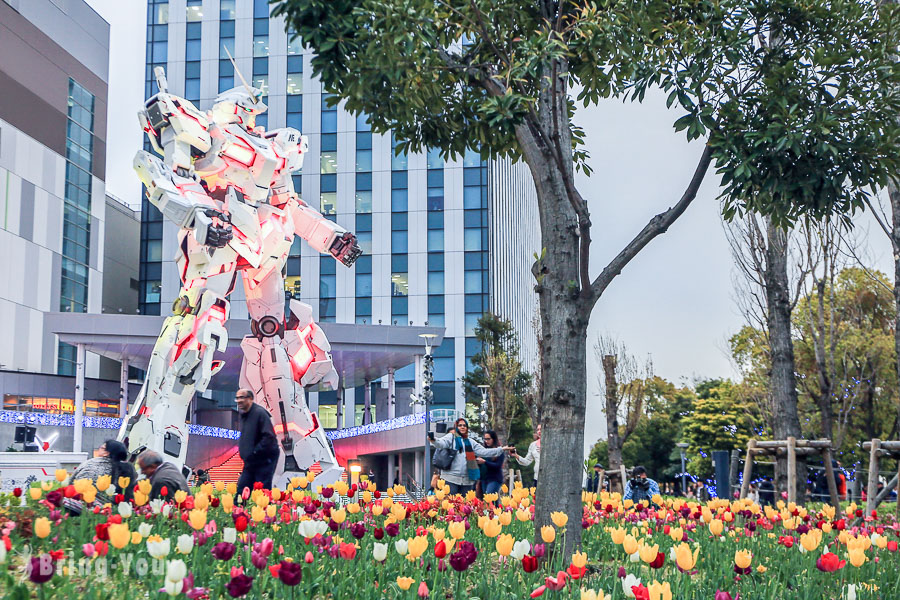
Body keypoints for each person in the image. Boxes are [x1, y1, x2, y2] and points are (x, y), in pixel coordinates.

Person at [432, 418, 505, 495]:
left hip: (467, 480)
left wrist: (501, 449)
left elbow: (484, 451)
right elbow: (441, 443)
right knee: (451, 504)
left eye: (464, 425)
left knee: (465, 505)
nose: (462, 427)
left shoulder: (470, 441)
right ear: (456, 427)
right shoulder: (451, 437)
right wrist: (433, 440)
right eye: (460, 425)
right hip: (451, 478)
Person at [236, 388, 280, 495]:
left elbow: (269, 437)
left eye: (242, 397)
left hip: (263, 460)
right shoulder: (244, 415)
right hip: (250, 461)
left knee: (262, 491)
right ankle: (238, 511)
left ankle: (263, 511)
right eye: (237, 398)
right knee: (242, 491)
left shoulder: (260, 413)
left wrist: (255, 452)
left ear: (250, 399)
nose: (238, 401)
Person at [478, 430, 506, 495]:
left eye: (488, 439)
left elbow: (498, 466)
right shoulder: (483, 450)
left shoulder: (499, 451)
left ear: (493, 439)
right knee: (489, 500)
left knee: (489, 497)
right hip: (484, 478)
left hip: (494, 479)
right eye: (485, 439)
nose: (486, 441)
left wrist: (485, 462)